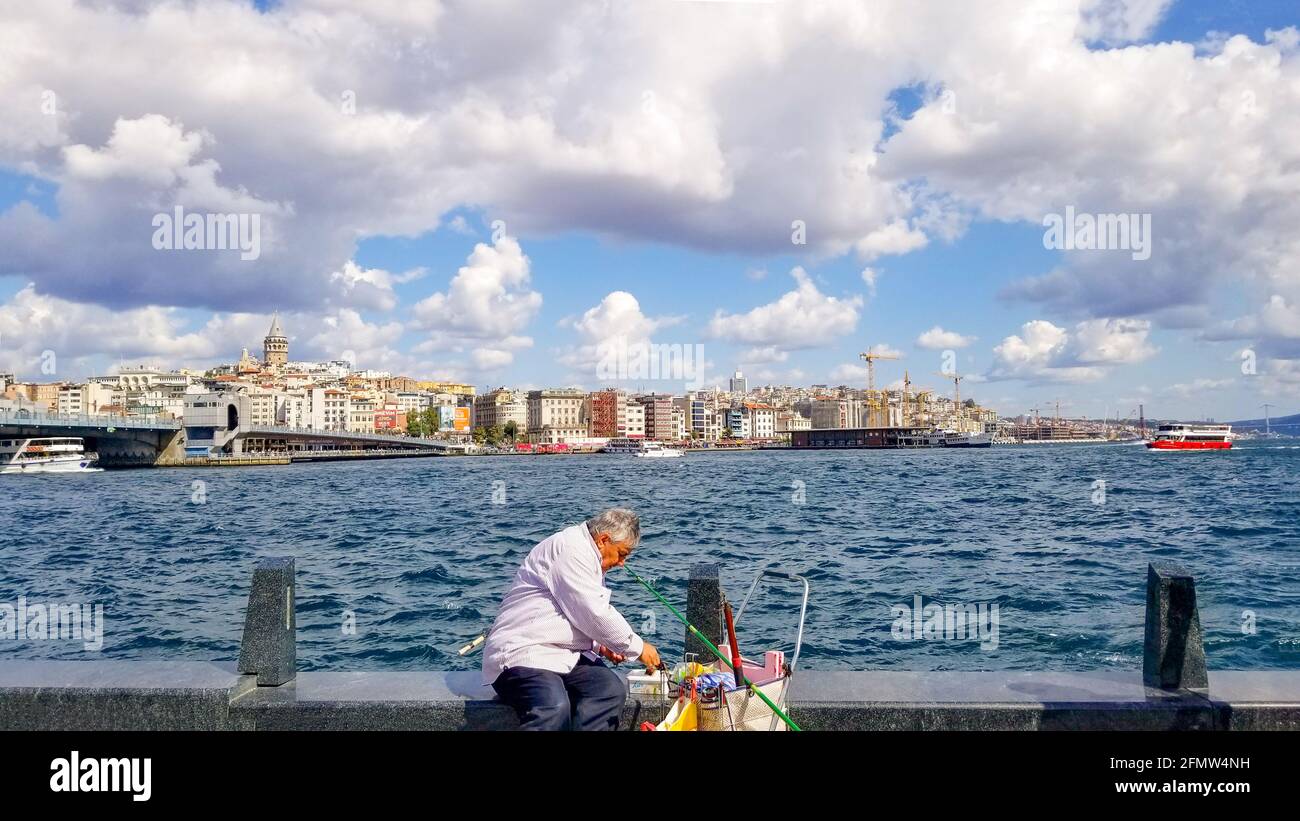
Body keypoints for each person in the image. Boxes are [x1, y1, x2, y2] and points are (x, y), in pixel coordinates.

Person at [483, 508, 661, 730]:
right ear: (604, 540)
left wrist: (600, 645)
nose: (622, 563)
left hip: (564, 653)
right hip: (524, 651)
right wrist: (637, 647)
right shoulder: (572, 550)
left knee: (609, 692)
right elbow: (594, 612)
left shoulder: (586, 553)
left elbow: (572, 612)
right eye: (622, 554)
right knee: (553, 707)